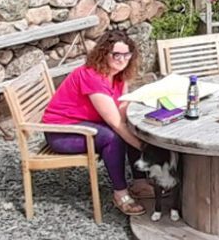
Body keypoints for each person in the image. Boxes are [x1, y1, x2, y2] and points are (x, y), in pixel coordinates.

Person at [42, 28, 150, 216]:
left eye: (126, 54)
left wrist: (135, 133)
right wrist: (147, 150)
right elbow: (117, 124)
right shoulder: (92, 77)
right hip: (62, 132)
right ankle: (120, 194)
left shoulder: (118, 74)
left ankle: (140, 183)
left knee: (132, 126)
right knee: (114, 137)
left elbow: (122, 107)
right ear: (104, 53)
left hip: (86, 124)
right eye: (116, 54)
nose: (122, 59)